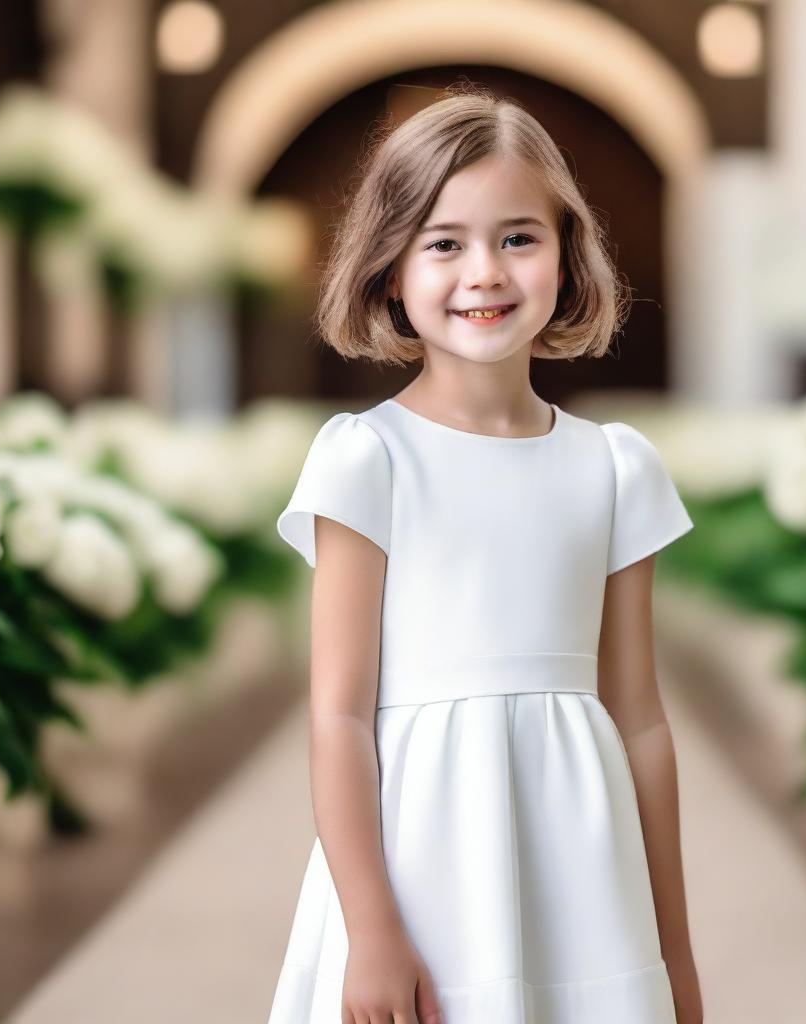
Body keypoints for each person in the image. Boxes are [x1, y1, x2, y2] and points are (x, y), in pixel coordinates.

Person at [267, 83, 703, 1024]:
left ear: (567, 255)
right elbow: (338, 716)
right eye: (443, 242)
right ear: (390, 270)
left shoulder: (616, 468)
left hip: (583, 875)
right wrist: (372, 927)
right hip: (421, 868)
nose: (485, 272)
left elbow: (641, 724)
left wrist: (673, 953)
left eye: (518, 237)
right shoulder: (367, 459)